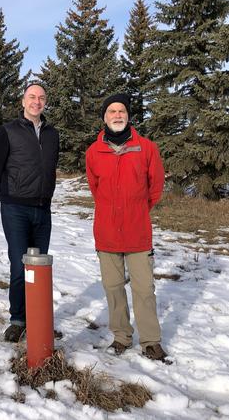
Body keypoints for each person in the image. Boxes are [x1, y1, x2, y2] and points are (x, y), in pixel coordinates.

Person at [85, 93, 168, 361]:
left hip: (137, 232)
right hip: (107, 233)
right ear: (104, 117)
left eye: (121, 111)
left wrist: (136, 211)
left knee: (144, 289)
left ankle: (151, 341)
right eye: (112, 111)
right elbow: (95, 189)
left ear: (129, 116)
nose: (117, 115)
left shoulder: (147, 148)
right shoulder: (93, 152)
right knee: (113, 287)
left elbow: (155, 189)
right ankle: (121, 337)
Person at [0, 82, 60, 342]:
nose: (36, 101)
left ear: (45, 102)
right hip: (16, 209)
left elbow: (49, 168)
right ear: (23, 101)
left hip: (43, 210)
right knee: (20, 267)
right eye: (31, 97)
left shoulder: (52, 134)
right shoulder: (7, 131)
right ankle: (18, 319)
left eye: (41, 97)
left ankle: (39, 319)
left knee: (40, 268)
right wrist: (6, 197)